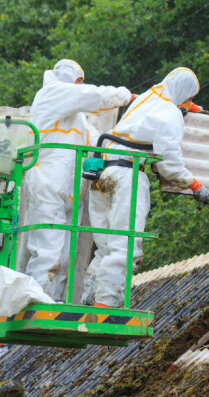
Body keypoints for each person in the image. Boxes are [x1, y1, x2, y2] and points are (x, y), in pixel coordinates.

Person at [83, 67, 209, 307]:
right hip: (125, 177)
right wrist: (194, 185)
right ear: (184, 94)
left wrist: (189, 108)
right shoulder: (169, 113)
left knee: (105, 248)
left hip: (101, 172)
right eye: (190, 98)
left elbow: (163, 102)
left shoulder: (147, 99)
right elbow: (169, 163)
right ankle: (105, 308)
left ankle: (88, 304)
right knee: (125, 247)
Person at [24, 59, 132, 301]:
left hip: (66, 190)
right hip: (48, 184)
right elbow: (94, 96)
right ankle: (36, 302)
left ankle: (53, 303)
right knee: (47, 251)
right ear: (78, 80)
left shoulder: (75, 120)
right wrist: (126, 96)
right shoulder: (53, 92)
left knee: (61, 256)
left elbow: (98, 140)